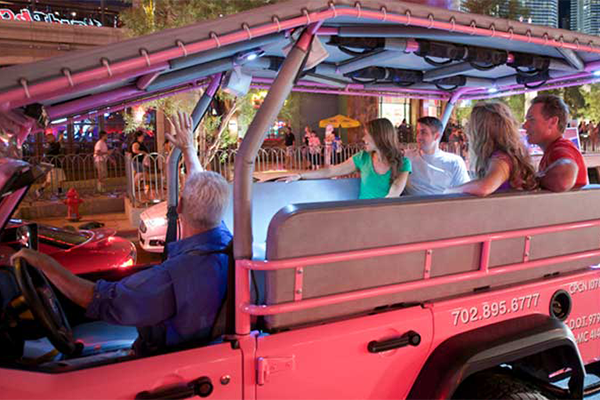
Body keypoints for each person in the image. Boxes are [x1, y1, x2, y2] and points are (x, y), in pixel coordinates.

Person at [11, 111, 232, 355]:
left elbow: (100, 300)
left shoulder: (173, 276)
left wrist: (43, 262)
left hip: (163, 362)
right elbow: (199, 186)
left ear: (179, 206)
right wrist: (189, 150)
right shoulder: (225, 242)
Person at [284, 118, 411, 199]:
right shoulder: (362, 158)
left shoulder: (403, 163)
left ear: (379, 137)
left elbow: (394, 192)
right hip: (363, 214)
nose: (363, 139)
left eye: (366, 135)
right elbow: (331, 171)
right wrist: (300, 175)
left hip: (384, 215)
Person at [446, 101, 538, 197]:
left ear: (480, 131)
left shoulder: (501, 159)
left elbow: (484, 187)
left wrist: (451, 191)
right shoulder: (512, 154)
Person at [524, 94, 588, 192]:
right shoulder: (554, 150)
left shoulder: (561, 148)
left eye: (531, 120)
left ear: (552, 122)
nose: (525, 126)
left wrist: (534, 180)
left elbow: (565, 178)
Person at [405, 117, 470, 195]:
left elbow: (464, 192)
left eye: (423, 132)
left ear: (436, 136)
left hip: (442, 204)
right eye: (418, 132)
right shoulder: (408, 158)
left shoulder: (454, 162)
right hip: (411, 204)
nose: (418, 137)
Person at [36, 133, 66, 198]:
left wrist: (60, 141)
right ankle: (40, 190)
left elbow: (58, 149)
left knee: (61, 179)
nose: (54, 138)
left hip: (57, 164)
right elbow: (54, 149)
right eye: (52, 137)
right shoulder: (49, 146)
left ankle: (60, 191)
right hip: (53, 165)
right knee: (49, 181)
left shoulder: (53, 145)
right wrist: (59, 140)